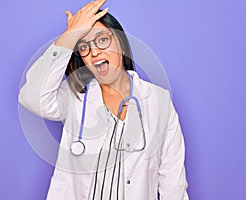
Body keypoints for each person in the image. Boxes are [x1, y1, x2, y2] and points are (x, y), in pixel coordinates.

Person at [18, 0, 189, 199]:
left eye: (102, 40)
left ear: (121, 42)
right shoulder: (74, 96)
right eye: (83, 46)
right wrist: (69, 36)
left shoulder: (159, 101)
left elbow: (173, 185)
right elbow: (31, 97)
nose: (94, 52)